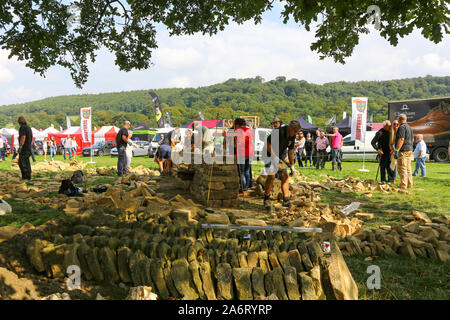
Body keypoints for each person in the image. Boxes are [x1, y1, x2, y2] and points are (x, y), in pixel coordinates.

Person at [263, 120, 302, 209]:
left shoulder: (292, 136)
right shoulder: (278, 132)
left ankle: (286, 199)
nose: (296, 133)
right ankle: (266, 198)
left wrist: (292, 165)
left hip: (279, 155)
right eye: (295, 131)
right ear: (290, 128)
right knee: (271, 175)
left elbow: (291, 151)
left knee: (285, 175)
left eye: (297, 132)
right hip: (269, 154)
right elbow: (268, 144)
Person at [234, 118, 254, 197]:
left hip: (241, 153)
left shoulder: (237, 131)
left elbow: (235, 144)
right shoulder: (250, 131)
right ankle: (246, 188)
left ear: (237, 124)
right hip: (250, 153)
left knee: (242, 172)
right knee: (247, 171)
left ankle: (243, 189)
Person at [394, 114, 414, 189]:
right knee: (408, 169)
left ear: (399, 119)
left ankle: (403, 185)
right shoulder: (409, 127)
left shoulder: (401, 127)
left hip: (403, 151)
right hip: (409, 150)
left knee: (402, 168)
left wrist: (397, 150)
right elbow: (412, 140)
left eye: (398, 120)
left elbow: (401, 139)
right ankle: (409, 184)